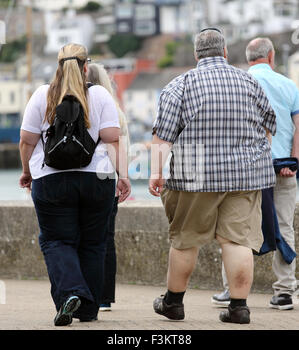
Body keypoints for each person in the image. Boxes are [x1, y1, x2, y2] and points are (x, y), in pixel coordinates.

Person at [149, 28, 276, 324]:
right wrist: (256, 157)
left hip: (195, 173)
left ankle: (173, 303)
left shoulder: (180, 85)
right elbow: (270, 125)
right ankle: (239, 307)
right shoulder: (249, 82)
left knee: (186, 239)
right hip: (245, 174)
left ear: (196, 55)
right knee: (237, 241)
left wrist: (156, 172)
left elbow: (162, 136)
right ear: (226, 52)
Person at [19, 43, 131, 326]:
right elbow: (112, 138)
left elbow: (26, 141)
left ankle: (70, 293)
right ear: (85, 67)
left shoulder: (42, 95)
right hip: (96, 180)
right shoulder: (100, 94)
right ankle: (89, 309)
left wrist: (26, 173)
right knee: (94, 243)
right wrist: (123, 175)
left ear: (58, 67)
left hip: (51, 180)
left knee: (57, 241)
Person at [212, 37, 299, 311]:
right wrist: (294, 160)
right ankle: (285, 291)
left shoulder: (238, 83)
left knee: (235, 228)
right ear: (271, 56)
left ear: (248, 57)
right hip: (282, 166)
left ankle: (231, 289)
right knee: (284, 226)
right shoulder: (289, 85)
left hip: (246, 169)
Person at [87, 63, 130, 312]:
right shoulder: (114, 109)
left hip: (87, 177)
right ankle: (105, 297)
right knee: (107, 238)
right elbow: (120, 146)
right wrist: (121, 175)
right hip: (108, 178)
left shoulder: (83, 104)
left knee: (87, 237)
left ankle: (88, 291)